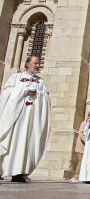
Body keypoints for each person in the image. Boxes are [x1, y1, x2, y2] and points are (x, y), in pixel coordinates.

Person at [0, 55, 51, 183]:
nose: (37, 65)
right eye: (35, 63)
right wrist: (24, 91)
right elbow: (6, 92)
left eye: (39, 63)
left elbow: (46, 98)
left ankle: (18, 172)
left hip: (30, 119)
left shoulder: (41, 82)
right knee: (11, 141)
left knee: (25, 143)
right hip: (15, 117)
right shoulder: (15, 77)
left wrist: (37, 94)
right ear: (28, 64)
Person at [71, 109, 90, 183]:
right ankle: (76, 177)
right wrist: (88, 142)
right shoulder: (85, 123)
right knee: (81, 162)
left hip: (87, 147)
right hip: (82, 147)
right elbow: (81, 133)